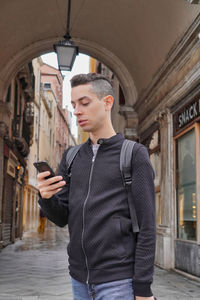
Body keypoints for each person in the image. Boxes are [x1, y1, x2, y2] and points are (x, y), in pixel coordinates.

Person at [37, 73, 156, 300]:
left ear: (107, 102)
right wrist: (47, 197)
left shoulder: (133, 154)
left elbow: (148, 227)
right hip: (78, 279)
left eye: (84, 103)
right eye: (73, 105)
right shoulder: (71, 157)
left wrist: (142, 288)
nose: (77, 111)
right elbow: (62, 217)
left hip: (118, 282)